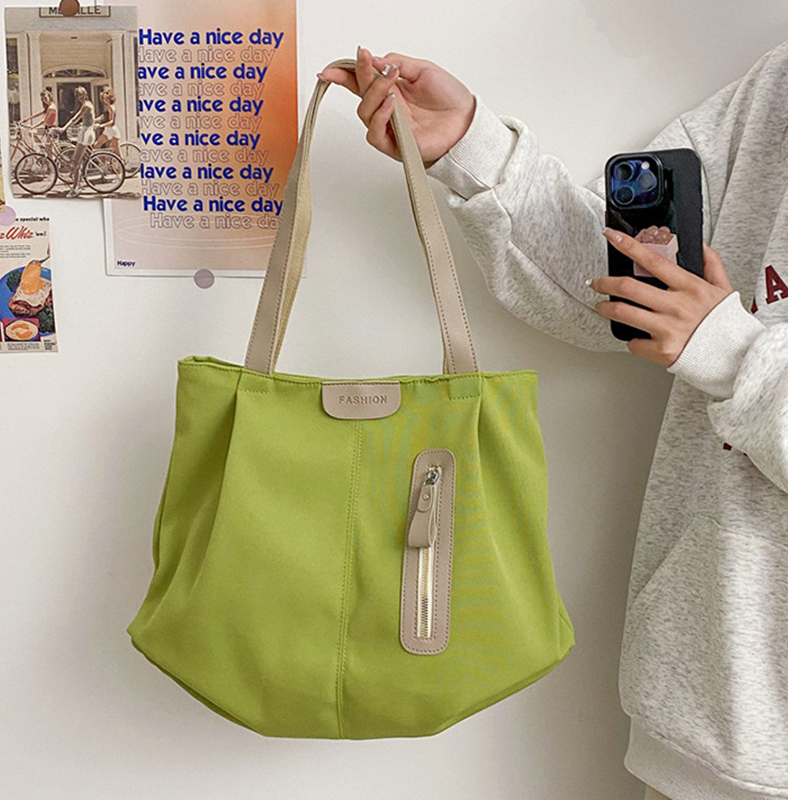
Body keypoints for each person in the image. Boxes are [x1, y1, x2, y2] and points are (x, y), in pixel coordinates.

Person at [320, 40, 788, 800]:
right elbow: (620, 289)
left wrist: (730, 351)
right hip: (706, 720)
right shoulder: (779, 87)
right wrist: (470, 147)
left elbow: (703, 333)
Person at [60, 86, 95, 197]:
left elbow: (75, 118)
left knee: (75, 162)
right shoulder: (87, 104)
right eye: (77, 95)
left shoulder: (86, 105)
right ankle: (78, 183)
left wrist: (63, 128)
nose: (79, 97)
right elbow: (88, 119)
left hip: (86, 133)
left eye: (81, 94)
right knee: (78, 161)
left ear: (85, 94)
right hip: (85, 131)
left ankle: (76, 188)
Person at [93, 86, 121, 158]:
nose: (105, 100)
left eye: (106, 98)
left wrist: (100, 126)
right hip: (107, 131)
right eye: (103, 98)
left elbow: (112, 122)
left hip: (113, 131)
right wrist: (93, 120)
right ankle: (103, 163)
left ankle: (122, 165)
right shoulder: (108, 107)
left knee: (117, 154)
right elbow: (102, 117)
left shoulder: (111, 107)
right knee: (96, 146)